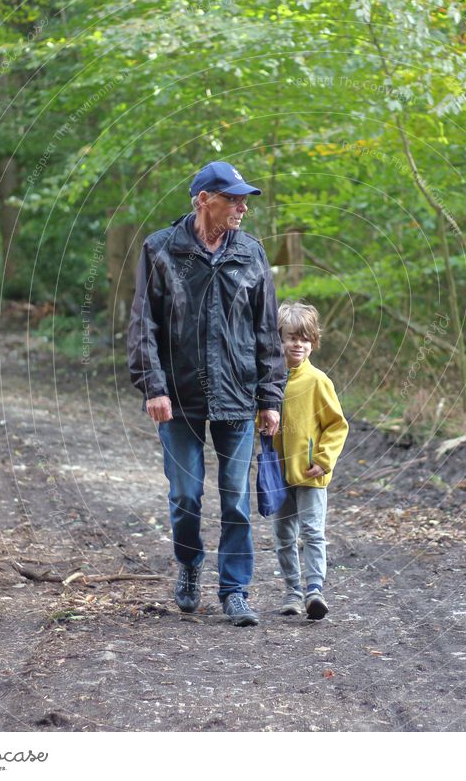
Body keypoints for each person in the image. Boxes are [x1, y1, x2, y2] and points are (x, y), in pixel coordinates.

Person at [128, 161, 284, 627]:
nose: (242, 208)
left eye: (244, 200)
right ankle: (190, 566)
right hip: (178, 396)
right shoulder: (161, 250)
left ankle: (234, 590)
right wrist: (153, 386)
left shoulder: (252, 253)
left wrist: (270, 397)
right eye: (233, 199)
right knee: (186, 496)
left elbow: (267, 331)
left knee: (235, 497)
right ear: (203, 200)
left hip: (239, 395)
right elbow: (143, 325)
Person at [272, 300, 348, 620]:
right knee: (284, 535)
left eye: (304, 338)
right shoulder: (270, 379)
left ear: (313, 342)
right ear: (279, 339)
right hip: (276, 473)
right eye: (291, 337)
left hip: (310, 472)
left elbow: (336, 424)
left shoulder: (318, 381)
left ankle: (314, 590)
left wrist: (323, 458)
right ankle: (292, 591)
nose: (298, 344)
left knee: (313, 532)